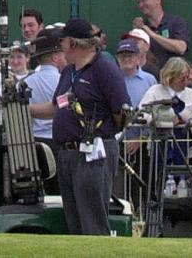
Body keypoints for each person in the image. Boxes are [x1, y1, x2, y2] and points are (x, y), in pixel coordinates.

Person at [51, 16, 129, 236]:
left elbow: (122, 111)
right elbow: (55, 106)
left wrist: (101, 134)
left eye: (63, 41)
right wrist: (20, 106)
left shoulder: (104, 67)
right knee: (74, 222)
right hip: (67, 153)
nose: (61, 46)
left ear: (74, 43)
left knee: (92, 222)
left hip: (94, 152)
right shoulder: (68, 71)